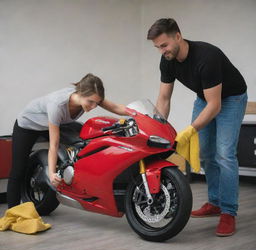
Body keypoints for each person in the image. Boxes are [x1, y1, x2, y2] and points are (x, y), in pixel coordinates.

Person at [147, 18, 247, 237]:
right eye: (157, 47)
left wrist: (190, 129)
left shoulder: (206, 57)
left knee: (224, 154)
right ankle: (215, 203)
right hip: (205, 97)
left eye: (164, 45)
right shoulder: (167, 61)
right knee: (206, 153)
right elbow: (164, 98)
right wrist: (157, 127)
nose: (162, 51)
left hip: (231, 98)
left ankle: (228, 212)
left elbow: (216, 105)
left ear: (178, 37)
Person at [7, 73, 127, 209]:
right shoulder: (57, 105)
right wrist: (51, 174)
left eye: (97, 103)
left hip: (56, 123)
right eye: (90, 102)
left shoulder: (90, 97)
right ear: (80, 94)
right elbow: (54, 144)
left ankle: (74, 177)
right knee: (18, 169)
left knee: (85, 139)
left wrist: (140, 115)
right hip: (28, 125)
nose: (94, 106)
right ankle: (13, 212)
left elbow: (117, 108)